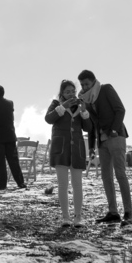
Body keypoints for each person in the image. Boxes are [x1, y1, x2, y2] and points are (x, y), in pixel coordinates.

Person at [78, 70, 132, 226]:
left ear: (94, 81)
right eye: (82, 85)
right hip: (101, 142)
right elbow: (93, 124)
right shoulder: (87, 100)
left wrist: (114, 130)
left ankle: (128, 213)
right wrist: (92, 146)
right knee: (106, 177)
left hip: (116, 137)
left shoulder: (106, 89)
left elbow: (120, 109)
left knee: (120, 174)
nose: (84, 87)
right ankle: (113, 212)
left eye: (86, 84)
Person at [45, 79, 94, 228]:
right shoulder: (56, 104)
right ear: (62, 93)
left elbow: (88, 128)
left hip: (77, 150)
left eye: (73, 91)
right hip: (61, 149)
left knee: (77, 184)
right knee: (62, 185)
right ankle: (65, 217)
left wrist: (84, 111)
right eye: (67, 92)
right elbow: (48, 119)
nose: (71, 94)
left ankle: (78, 217)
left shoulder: (80, 105)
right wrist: (63, 106)